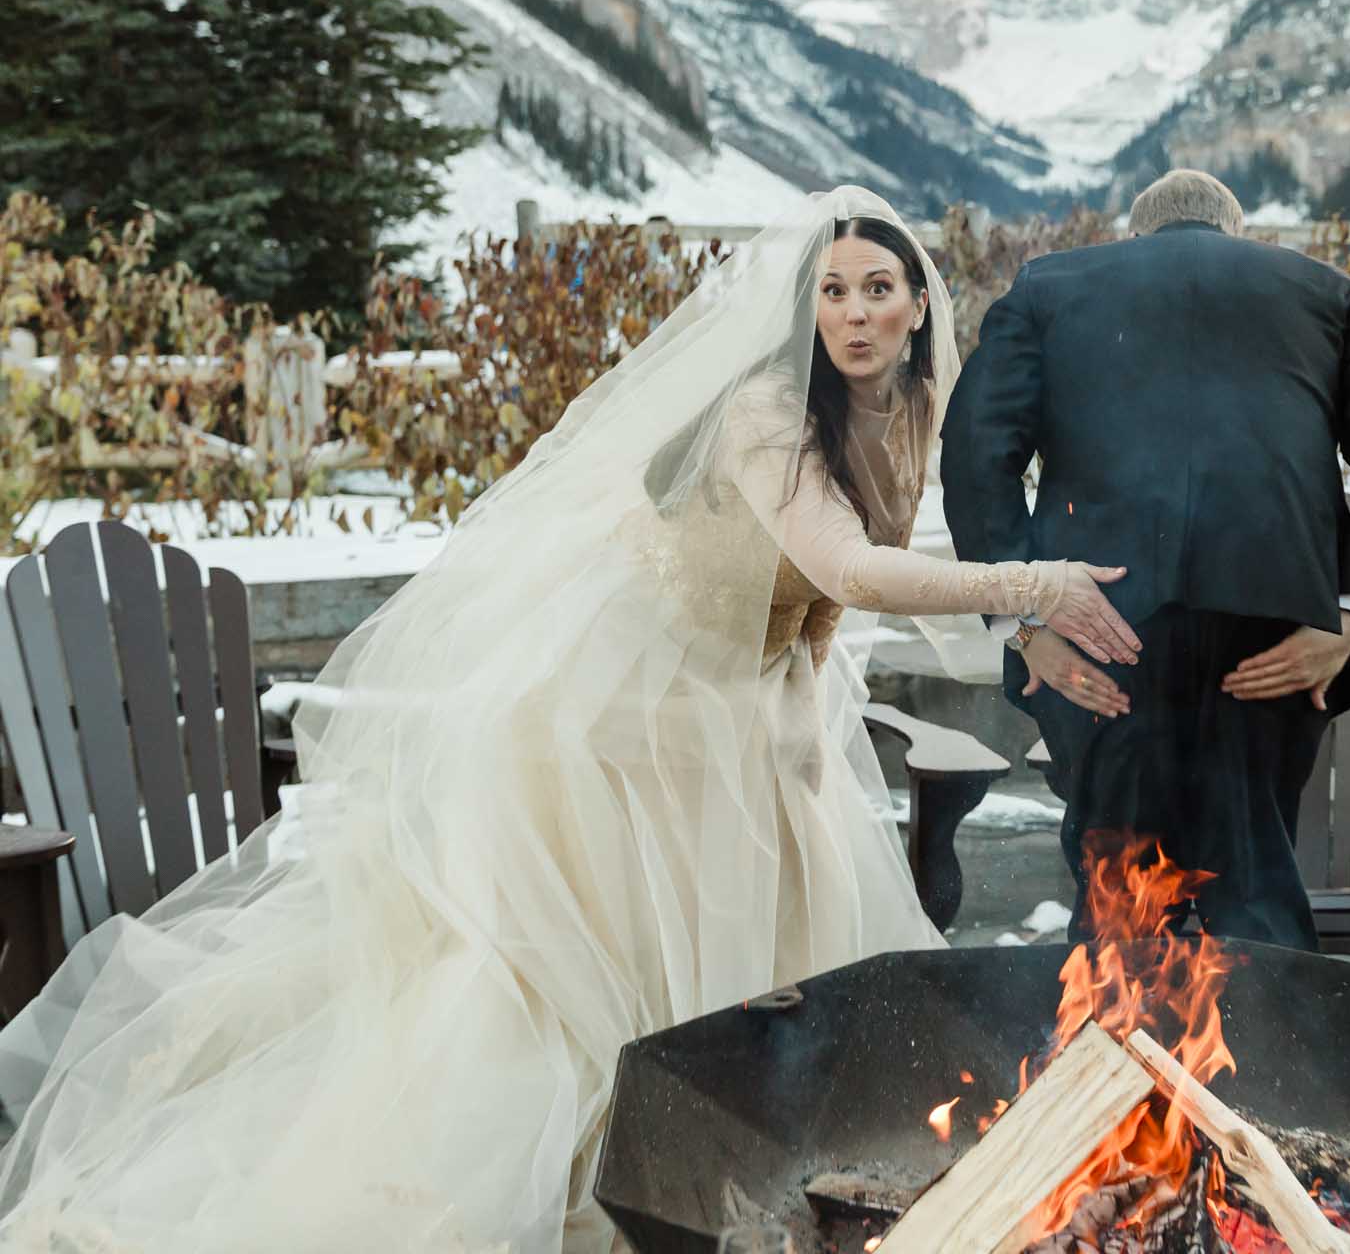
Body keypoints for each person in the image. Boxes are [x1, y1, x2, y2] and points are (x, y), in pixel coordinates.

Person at [0, 187, 1133, 1252]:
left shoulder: (901, 404)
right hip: (622, 722)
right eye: (830, 291)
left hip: (744, 705)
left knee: (778, 946)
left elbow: (831, 589)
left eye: (875, 287)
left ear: (919, 299)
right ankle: (613, 1179)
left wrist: (830, 685)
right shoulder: (766, 415)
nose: (853, 311)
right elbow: (847, 559)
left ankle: (732, 1172)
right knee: (588, 991)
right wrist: (1035, 588)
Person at [942, 168, 1350, 949]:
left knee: (1119, 883)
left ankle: (1111, 1056)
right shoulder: (1328, 291)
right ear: (1234, 234)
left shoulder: (1050, 286)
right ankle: (1269, 1054)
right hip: (1275, 623)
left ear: (1137, 236)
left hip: (1098, 617)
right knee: (1256, 870)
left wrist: (1024, 619)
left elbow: (976, 449)